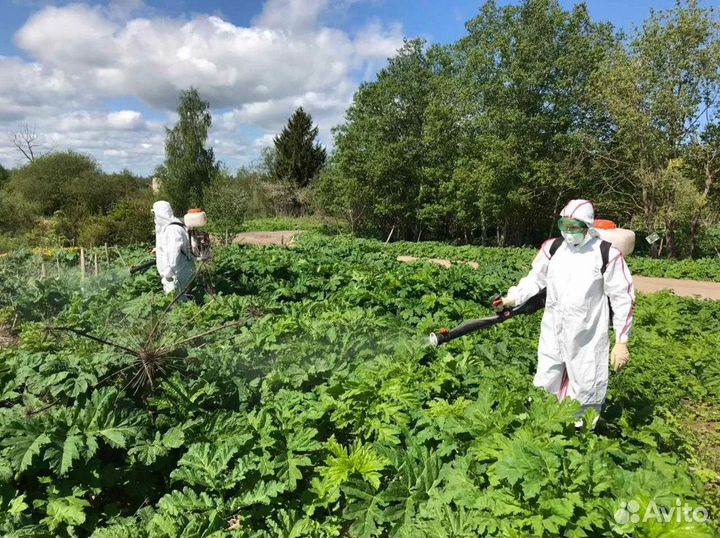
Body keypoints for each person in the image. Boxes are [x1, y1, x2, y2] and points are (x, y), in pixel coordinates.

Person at [493, 199, 635, 427]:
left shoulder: (605, 254)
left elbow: (622, 297)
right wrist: (513, 297)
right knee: (546, 376)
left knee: (586, 381)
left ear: (587, 226)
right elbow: (535, 279)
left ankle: (578, 433)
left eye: (575, 228)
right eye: (564, 226)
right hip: (553, 328)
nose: (569, 233)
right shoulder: (553, 248)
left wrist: (621, 340)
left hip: (587, 332)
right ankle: (540, 423)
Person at [152, 201, 195, 296]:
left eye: (154, 214)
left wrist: (168, 275)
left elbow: (173, 254)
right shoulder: (176, 224)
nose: (154, 217)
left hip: (177, 274)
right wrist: (158, 249)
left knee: (177, 303)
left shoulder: (172, 230)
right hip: (182, 269)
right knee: (182, 300)